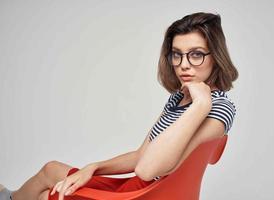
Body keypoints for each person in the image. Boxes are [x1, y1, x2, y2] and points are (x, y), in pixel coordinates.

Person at [0, 11, 238, 200]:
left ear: (215, 56)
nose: (183, 65)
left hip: (147, 195)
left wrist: (201, 103)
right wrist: (93, 168)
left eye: (196, 54)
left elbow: (148, 169)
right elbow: (141, 156)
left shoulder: (217, 108)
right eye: (177, 54)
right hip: (136, 187)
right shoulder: (179, 98)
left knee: (45, 196)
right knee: (51, 169)